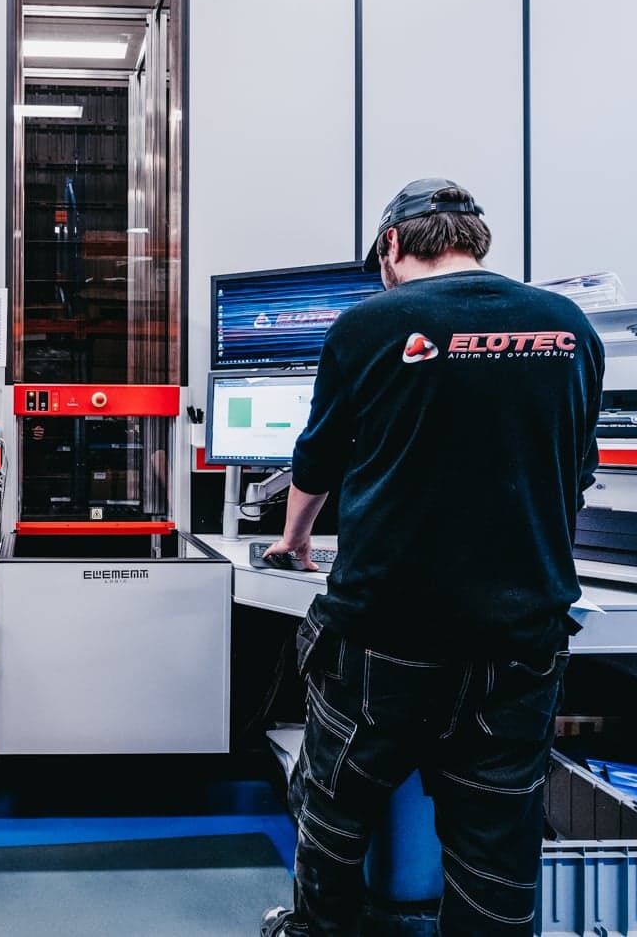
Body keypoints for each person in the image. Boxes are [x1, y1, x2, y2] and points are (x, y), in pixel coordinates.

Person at [259, 178, 604, 936]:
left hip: (387, 635)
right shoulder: (569, 326)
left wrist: (292, 543)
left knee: (335, 807)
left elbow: (316, 465)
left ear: (391, 246)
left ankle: (317, 929)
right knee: (497, 841)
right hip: (520, 642)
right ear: (475, 237)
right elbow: (576, 475)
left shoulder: (370, 325)